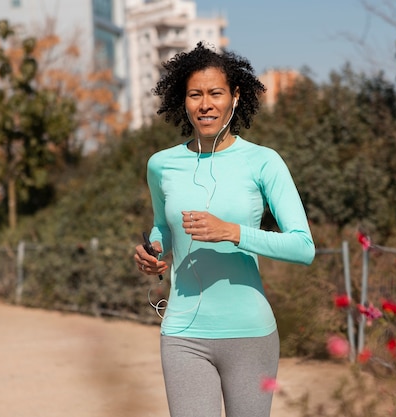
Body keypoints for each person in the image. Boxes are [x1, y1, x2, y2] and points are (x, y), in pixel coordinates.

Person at [134, 42, 315, 417]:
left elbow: (303, 247)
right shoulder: (161, 165)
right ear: (182, 101)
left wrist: (233, 232)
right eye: (195, 95)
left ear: (235, 97)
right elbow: (162, 227)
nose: (205, 104)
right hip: (183, 332)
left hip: (249, 333)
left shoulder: (264, 162)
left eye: (215, 93)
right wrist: (153, 251)